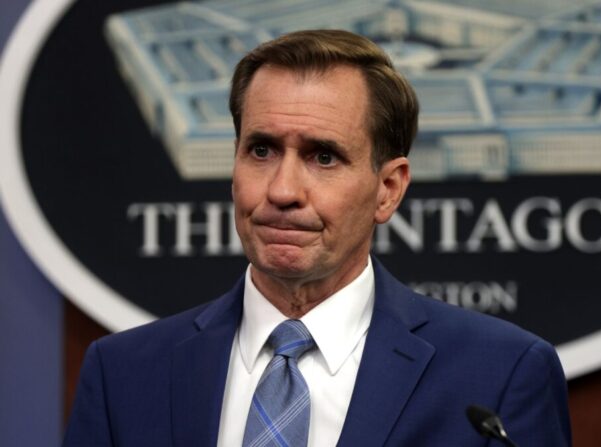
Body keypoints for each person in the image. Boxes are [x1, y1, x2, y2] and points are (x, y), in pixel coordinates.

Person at [63, 29, 571, 446]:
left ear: (388, 189)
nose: (282, 190)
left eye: (323, 157)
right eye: (261, 150)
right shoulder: (124, 375)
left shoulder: (498, 376)